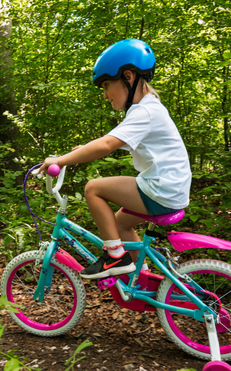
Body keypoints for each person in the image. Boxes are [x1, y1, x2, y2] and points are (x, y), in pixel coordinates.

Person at [39, 39, 192, 280]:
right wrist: (85, 149)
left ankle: (114, 256)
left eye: (107, 85)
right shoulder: (148, 107)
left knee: (93, 189)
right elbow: (126, 141)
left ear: (128, 77)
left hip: (162, 189)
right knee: (120, 224)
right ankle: (141, 278)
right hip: (170, 189)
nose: (105, 95)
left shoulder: (144, 111)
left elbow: (108, 143)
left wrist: (62, 159)